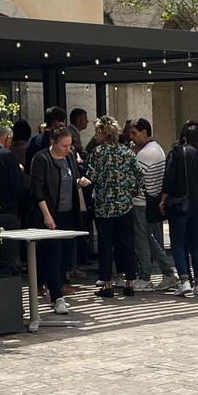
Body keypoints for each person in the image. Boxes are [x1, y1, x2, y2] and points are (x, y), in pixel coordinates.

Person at [29, 128, 88, 315]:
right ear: (53, 142)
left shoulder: (69, 157)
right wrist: (46, 215)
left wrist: (80, 181)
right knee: (53, 254)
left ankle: (58, 290)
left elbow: (71, 179)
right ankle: (56, 296)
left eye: (69, 145)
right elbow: (38, 190)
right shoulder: (41, 159)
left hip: (68, 212)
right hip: (50, 213)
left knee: (66, 254)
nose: (67, 149)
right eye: (64, 145)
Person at [86, 117, 142, 298]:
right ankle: (129, 282)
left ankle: (108, 284)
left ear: (103, 132)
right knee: (126, 243)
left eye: (98, 132)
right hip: (125, 205)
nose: (96, 135)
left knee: (105, 244)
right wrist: (131, 191)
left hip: (104, 206)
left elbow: (91, 176)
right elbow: (139, 174)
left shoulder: (97, 152)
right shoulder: (126, 152)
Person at [163, 121, 198, 297]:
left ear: (184, 138)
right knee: (195, 243)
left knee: (177, 242)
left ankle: (185, 280)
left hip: (179, 205)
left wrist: (166, 197)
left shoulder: (177, 152)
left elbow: (168, 180)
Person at [128, 119, 175, 289]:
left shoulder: (145, 153)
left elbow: (132, 178)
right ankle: (167, 272)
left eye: (134, 133)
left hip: (141, 201)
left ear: (144, 132)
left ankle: (145, 276)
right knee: (149, 238)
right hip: (149, 199)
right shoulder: (156, 149)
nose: (131, 137)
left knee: (142, 239)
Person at [0, 126, 29, 271]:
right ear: (7, 138)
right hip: (8, 208)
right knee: (9, 248)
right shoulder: (7, 155)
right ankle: (8, 274)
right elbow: (17, 184)